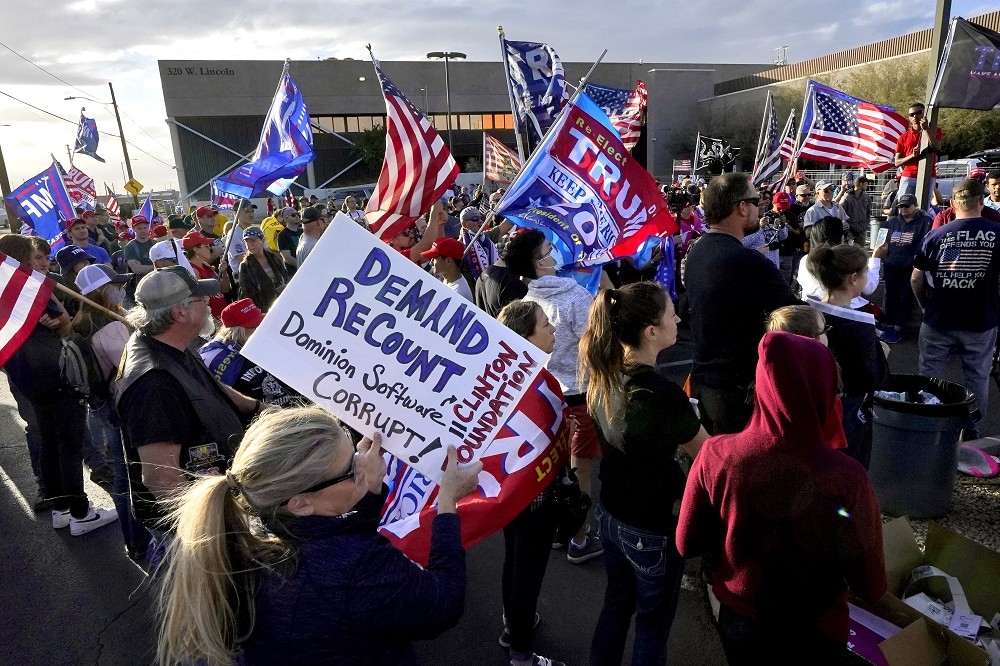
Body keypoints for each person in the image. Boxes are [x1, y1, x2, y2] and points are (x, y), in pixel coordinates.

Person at [155, 407, 482, 666]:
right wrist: (447, 503)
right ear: (300, 503)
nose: (363, 463)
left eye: (354, 451)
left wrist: (365, 489)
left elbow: (337, 538)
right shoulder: (357, 569)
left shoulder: (253, 524)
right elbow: (444, 604)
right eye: (351, 467)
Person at [676, 332, 887, 666]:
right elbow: (872, 585)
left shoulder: (717, 454)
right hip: (816, 628)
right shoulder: (847, 479)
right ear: (824, 393)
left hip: (739, 616)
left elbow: (687, 543)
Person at [581, 283, 709, 666]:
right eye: (672, 313)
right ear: (650, 332)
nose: (679, 318)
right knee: (652, 625)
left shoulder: (603, 373)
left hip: (610, 513)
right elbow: (707, 453)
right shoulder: (660, 393)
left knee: (616, 606)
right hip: (651, 525)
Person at [115, 267, 260, 550]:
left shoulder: (173, 344)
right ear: (179, 313)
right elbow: (161, 478)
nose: (209, 304)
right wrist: (211, 532)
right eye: (200, 300)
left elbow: (209, 389)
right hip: (193, 529)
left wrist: (260, 408)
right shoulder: (154, 384)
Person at [0, 234, 119, 536]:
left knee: (51, 442)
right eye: (32, 255)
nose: (40, 261)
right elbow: (64, 319)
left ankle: (61, 509)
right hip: (56, 372)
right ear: (20, 258)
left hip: (25, 375)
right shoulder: (29, 286)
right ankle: (81, 513)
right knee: (68, 443)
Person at [504, 228, 603, 563]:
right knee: (580, 470)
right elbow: (596, 345)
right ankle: (579, 536)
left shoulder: (526, 304)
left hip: (546, 397)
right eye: (548, 249)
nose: (555, 251)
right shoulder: (574, 296)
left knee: (557, 468)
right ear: (540, 263)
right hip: (579, 393)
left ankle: (563, 529)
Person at [683, 172, 800, 435]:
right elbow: (798, 315)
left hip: (705, 382)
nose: (761, 207)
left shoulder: (697, 251)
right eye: (756, 200)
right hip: (736, 394)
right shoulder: (748, 262)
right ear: (741, 207)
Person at [496, 300, 565, 666]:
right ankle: (522, 654)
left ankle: (513, 624)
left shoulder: (502, 379)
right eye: (544, 325)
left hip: (510, 497)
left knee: (514, 560)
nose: (552, 330)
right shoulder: (532, 383)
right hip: (534, 497)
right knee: (528, 575)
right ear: (525, 337)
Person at [72, 263, 150, 559]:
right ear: (103, 290)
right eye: (116, 284)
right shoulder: (110, 325)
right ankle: (139, 541)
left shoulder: (80, 322)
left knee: (121, 474)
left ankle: (133, 541)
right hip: (120, 407)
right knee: (132, 475)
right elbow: (131, 368)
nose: (122, 288)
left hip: (101, 406)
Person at [912, 177, 1000, 435]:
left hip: (939, 317)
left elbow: (916, 277)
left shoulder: (937, 234)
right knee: (977, 377)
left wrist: (924, 306)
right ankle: (970, 430)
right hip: (981, 320)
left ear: (952, 203)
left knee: (929, 374)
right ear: (981, 202)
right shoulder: (997, 233)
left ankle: (928, 423)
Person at [806, 244, 889, 468]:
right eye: (864, 274)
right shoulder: (859, 326)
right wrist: (882, 354)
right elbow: (873, 379)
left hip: (809, 414)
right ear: (853, 278)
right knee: (847, 469)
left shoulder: (807, 313)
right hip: (847, 417)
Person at [199, 299, 302, 409]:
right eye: (254, 326)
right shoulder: (215, 357)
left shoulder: (262, 341)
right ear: (236, 331)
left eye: (262, 323)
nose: (261, 328)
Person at [796, 216, 884, 311]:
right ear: (840, 237)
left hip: (813, 309)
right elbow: (868, 288)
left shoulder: (805, 260)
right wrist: (875, 258)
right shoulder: (844, 261)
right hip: (845, 311)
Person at [878, 193, 933, 343]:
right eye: (901, 206)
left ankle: (898, 327)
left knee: (904, 297)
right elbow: (880, 242)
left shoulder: (926, 222)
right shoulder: (891, 222)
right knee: (890, 296)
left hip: (910, 267)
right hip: (891, 266)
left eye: (907, 206)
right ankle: (888, 325)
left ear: (915, 206)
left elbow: (927, 244)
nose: (903, 209)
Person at [894, 102, 942, 200]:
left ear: (924, 114)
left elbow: (936, 147)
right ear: (909, 118)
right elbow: (897, 162)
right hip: (909, 176)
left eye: (918, 113)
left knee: (923, 207)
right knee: (904, 206)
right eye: (912, 115)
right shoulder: (903, 137)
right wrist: (912, 155)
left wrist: (927, 129)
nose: (915, 116)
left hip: (928, 175)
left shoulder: (935, 130)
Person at [237, 226, 288, 312]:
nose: (250, 244)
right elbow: (248, 295)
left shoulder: (273, 258)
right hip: (262, 310)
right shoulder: (246, 266)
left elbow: (285, 277)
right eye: (246, 242)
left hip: (282, 304)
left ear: (262, 240)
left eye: (253, 240)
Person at [182, 230, 229, 319]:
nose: (210, 249)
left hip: (222, 315)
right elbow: (201, 302)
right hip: (212, 320)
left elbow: (225, 289)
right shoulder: (193, 271)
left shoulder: (206, 265)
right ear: (196, 249)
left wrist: (224, 272)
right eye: (206, 246)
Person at [421, 237, 474, 302]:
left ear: (448, 261)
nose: (430, 263)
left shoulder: (459, 295)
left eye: (434, 258)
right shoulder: (447, 280)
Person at [835, 173, 872, 243]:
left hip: (861, 230)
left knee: (860, 251)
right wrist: (846, 229)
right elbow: (840, 213)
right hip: (849, 231)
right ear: (861, 184)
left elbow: (868, 212)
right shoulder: (847, 197)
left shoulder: (866, 197)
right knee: (849, 252)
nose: (867, 185)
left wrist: (866, 224)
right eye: (866, 183)